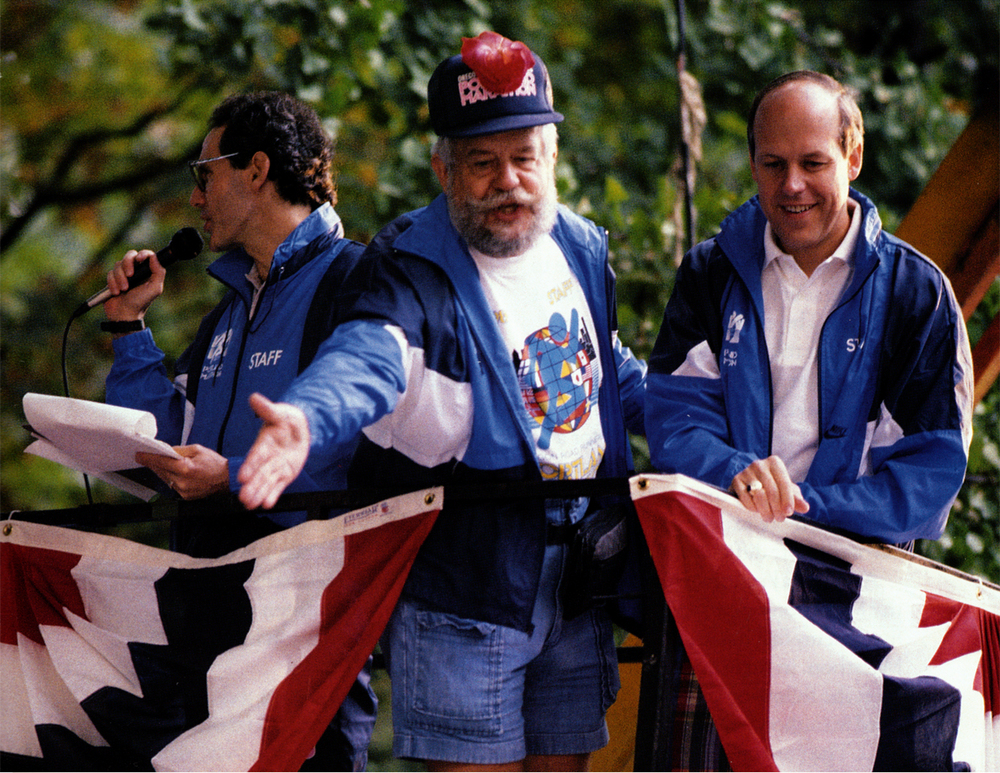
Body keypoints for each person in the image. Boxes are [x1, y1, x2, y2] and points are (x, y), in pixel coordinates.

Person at [236, 32, 647, 772]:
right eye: (481, 163)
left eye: (524, 157)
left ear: (553, 158)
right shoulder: (409, 263)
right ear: (444, 170)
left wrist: (718, 444)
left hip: (582, 577)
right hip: (468, 588)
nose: (507, 181)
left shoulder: (580, 246)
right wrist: (306, 416)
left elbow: (609, 374)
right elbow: (371, 355)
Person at [644, 70, 974, 768]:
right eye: (773, 163)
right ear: (754, 163)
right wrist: (741, 474)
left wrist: (802, 506)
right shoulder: (711, 272)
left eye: (813, 162)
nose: (791, 184)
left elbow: (928, 479)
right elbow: (674, 421)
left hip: (855, 594)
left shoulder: (918, 295)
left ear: (853, 159)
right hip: (719, 572)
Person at [101, 91, 376, 771]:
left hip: (302, 627)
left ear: (256, 169)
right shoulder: (228, 311)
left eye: (205, 174)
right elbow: (165, 440)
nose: (195, 199)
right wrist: (131, 330)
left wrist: (235, 475)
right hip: (208, 619)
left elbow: (365, 453)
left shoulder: (356, 279)